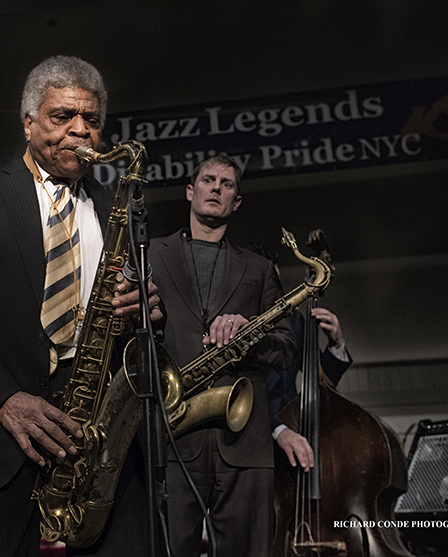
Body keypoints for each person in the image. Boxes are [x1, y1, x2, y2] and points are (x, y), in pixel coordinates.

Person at [0, 55, 161, 557]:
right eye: (61, 117)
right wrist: (3, 399)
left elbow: (130, 314)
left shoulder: (119, 207)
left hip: (97, 439)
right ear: (28, 123)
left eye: (91, 120)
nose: (79, 131)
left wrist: (147, 311)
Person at [149, 154, 298, 557]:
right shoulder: (149, 256)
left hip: (245, 438)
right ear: (190, 191)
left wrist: (249, 333)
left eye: (227, 184)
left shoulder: (261, 268)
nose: (216, 187)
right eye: (208, 180)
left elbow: (286, 349)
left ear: (237, 202)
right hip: (172, 436)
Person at [243, 243, 353, 472]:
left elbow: (320, 379)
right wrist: (278, 430)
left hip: (294, 428)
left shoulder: (293, 322)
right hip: (249, 439)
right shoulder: (232, 323)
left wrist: (337, 342)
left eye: (276, 281)